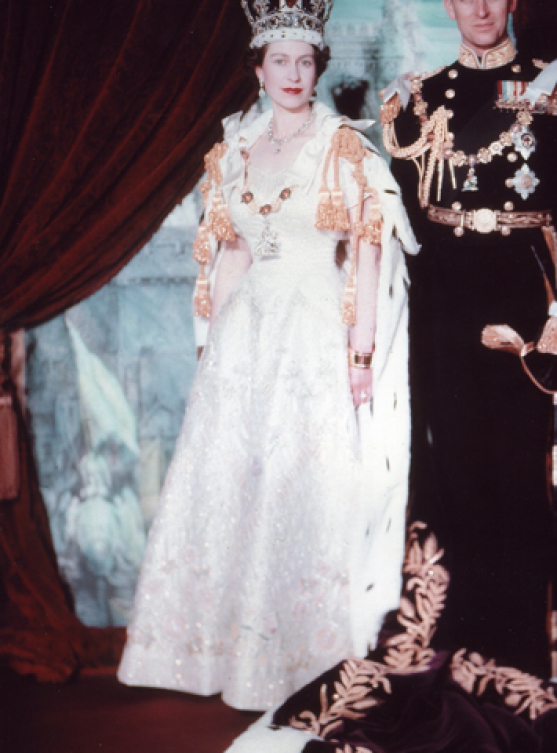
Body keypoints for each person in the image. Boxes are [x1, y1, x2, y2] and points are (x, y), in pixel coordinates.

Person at [118, 0, 417, 712]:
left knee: (298, 484)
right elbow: (234, 254)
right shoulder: (235, 150)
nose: (293, 74)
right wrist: (213, 345)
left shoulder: (343, 147)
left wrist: (361, 352)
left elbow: (367, 254)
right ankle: (214, 654)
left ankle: (302, 656)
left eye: (305, 62)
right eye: (279, 60)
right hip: (247, 338)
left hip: (313, 332)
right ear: (257, 69)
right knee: (233, 487)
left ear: (318, 69)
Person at [381, 0, 557, 675]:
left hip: (520, 293)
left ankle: (518, 657)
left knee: (516, 472)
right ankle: (461, 647)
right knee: (455, 467)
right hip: (443, 301)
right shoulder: (419, 99)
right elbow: (404, 219)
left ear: (512, 1)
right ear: (448, 5)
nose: (480, 8)